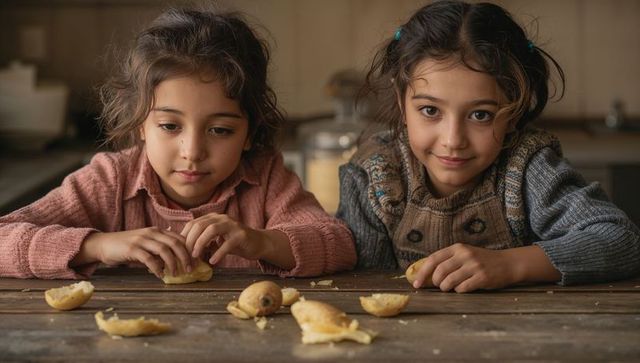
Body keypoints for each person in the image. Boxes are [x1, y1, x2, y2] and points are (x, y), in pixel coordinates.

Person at [0, 7, 356, 279]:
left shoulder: (265, 179)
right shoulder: (110, 180)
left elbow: (339, 244)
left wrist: (262, 241)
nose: (192, 152)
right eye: (170, 126)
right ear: (141, 124)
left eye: (220, 130)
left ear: (249, 133)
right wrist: (99, 245)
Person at [337, 0, 640, 292]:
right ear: (403, 103)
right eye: (430, 111)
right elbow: (361, 282)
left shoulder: (527, 169)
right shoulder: (373, 175)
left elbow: (621, 240)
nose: (453, 140)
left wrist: (509, 265)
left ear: (512, 113)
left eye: (481, 115)